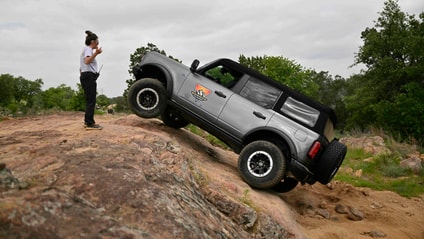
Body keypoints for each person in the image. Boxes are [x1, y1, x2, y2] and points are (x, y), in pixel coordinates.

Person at [80, 30, 103, 130]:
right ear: (93, 42)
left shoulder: (85, 50)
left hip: (86, 76)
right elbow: (87, 61)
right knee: (91, 100)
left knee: (90, 99)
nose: (98, 44)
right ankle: (89, 123)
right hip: (88, 77)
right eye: (97, 42)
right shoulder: (88, 50)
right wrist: (96, 53)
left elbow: (81, 67)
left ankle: (88, 121)